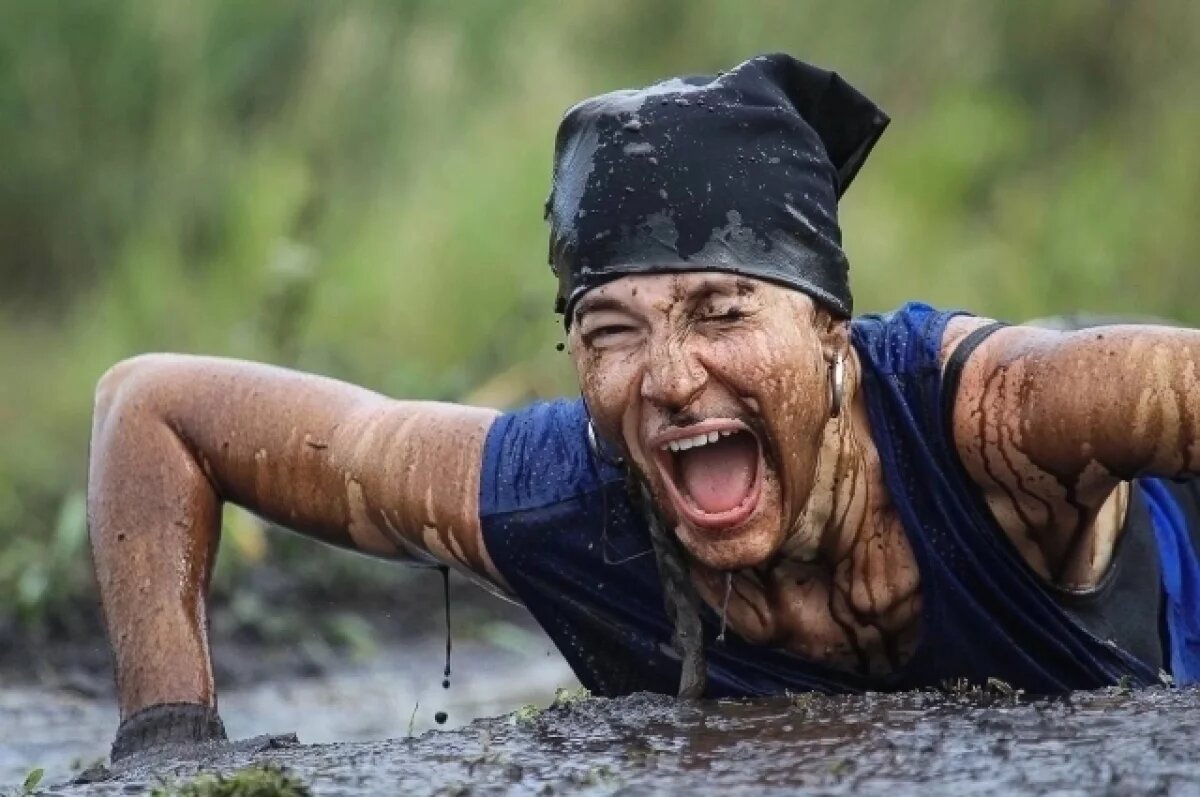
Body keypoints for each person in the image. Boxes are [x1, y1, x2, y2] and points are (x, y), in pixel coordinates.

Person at [89, 53, 1200, 760]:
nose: (667, 378)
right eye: (612, 331)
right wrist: (172, 744)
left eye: (720, 313)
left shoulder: (1003, 422)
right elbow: (152, 405)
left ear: (830, 333)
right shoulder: (559, 495)